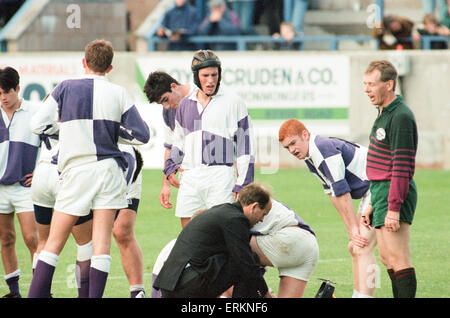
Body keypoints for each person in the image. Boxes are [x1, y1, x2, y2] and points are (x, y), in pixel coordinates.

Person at [27, 39, 150, 298]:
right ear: (110, 67)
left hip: (76, 171)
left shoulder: (65, 87)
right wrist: (109, 131)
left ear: (84, 63)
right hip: (108, 171)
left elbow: (37, 125)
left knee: (53, 244)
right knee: (101, 246)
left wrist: (68, 130)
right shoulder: (118, 92)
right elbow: (142, 136)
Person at [278, 119, 379, 298]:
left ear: (305, 135)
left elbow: (342, 191)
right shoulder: (309, 157)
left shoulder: (322, 148)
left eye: (293, 143)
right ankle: (359, 294)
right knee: (354, 246)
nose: (292, 150)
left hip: (380, 185)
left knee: (362, 246)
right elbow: (332, 193)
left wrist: (354, 228)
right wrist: (351, 229)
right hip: (371, 190)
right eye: (287, 148)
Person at [151, 198, 318, 298]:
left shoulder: (183, 245)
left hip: (170, 288)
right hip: (309, 244)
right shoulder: (228, 220)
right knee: (244, 262)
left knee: (243, 261)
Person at [164, 49, 255, 228]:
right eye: (205, 75)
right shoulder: (184, 104)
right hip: (190, 176)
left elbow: (246, 147)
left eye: (214, 74)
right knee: (188, 233)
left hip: (221, 176)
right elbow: (179, 141)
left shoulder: (234, 102)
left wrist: (243, 183)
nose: (211, 80)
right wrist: (170, 166)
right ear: (196, 77)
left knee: (219, 231)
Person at [153, 183, 273, 298]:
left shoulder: (220, 212)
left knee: (243, 261)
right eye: (263, 214)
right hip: (187, 285)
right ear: (254, 207)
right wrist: (265, 294)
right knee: (248, 262)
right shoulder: (236, 219)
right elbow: (245, 262)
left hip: (170, 285)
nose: (262, 220)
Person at [362, 60, 418, 298]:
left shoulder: (401, 116)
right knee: (386, 258)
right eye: (365, 84)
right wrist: (374, 202)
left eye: (371, 84)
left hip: (394, 192)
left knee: (399, 258)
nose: (367, 89)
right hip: (381, 192)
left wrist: (393, 208)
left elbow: (402, 166)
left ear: (389, 84)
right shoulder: (383, 112)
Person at [31, 128, 94, 298]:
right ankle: (84, 295)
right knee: (85, 243)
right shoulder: (78, 106)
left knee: (43, 242)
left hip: (41, 173)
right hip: (64, 173)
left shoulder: (47, 107)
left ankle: (40, 294)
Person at [0, 66, 39, 298]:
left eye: (7, 92)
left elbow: (53, 144)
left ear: (18, 89)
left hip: (26, 188)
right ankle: (14, 292)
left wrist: (42, 172)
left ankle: (39, 289)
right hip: (0, 189)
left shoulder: (36, 112)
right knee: (6, 238)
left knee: (31, 238)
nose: (3, 97)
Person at [143, 72, 196, 212]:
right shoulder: (168, 112)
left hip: (214, 173)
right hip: (188, 175)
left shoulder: (202, 95)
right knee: (189, 224)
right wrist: (166, 184)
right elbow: (170, 147)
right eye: (161, 103)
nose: (166, 106)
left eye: (165, 100)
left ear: (173, 86)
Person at [112, 144, 146, 298]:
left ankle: (137, 292)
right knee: (89, 234)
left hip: (126, 158)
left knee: (122, 231)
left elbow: (141, 134)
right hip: (92, 161)